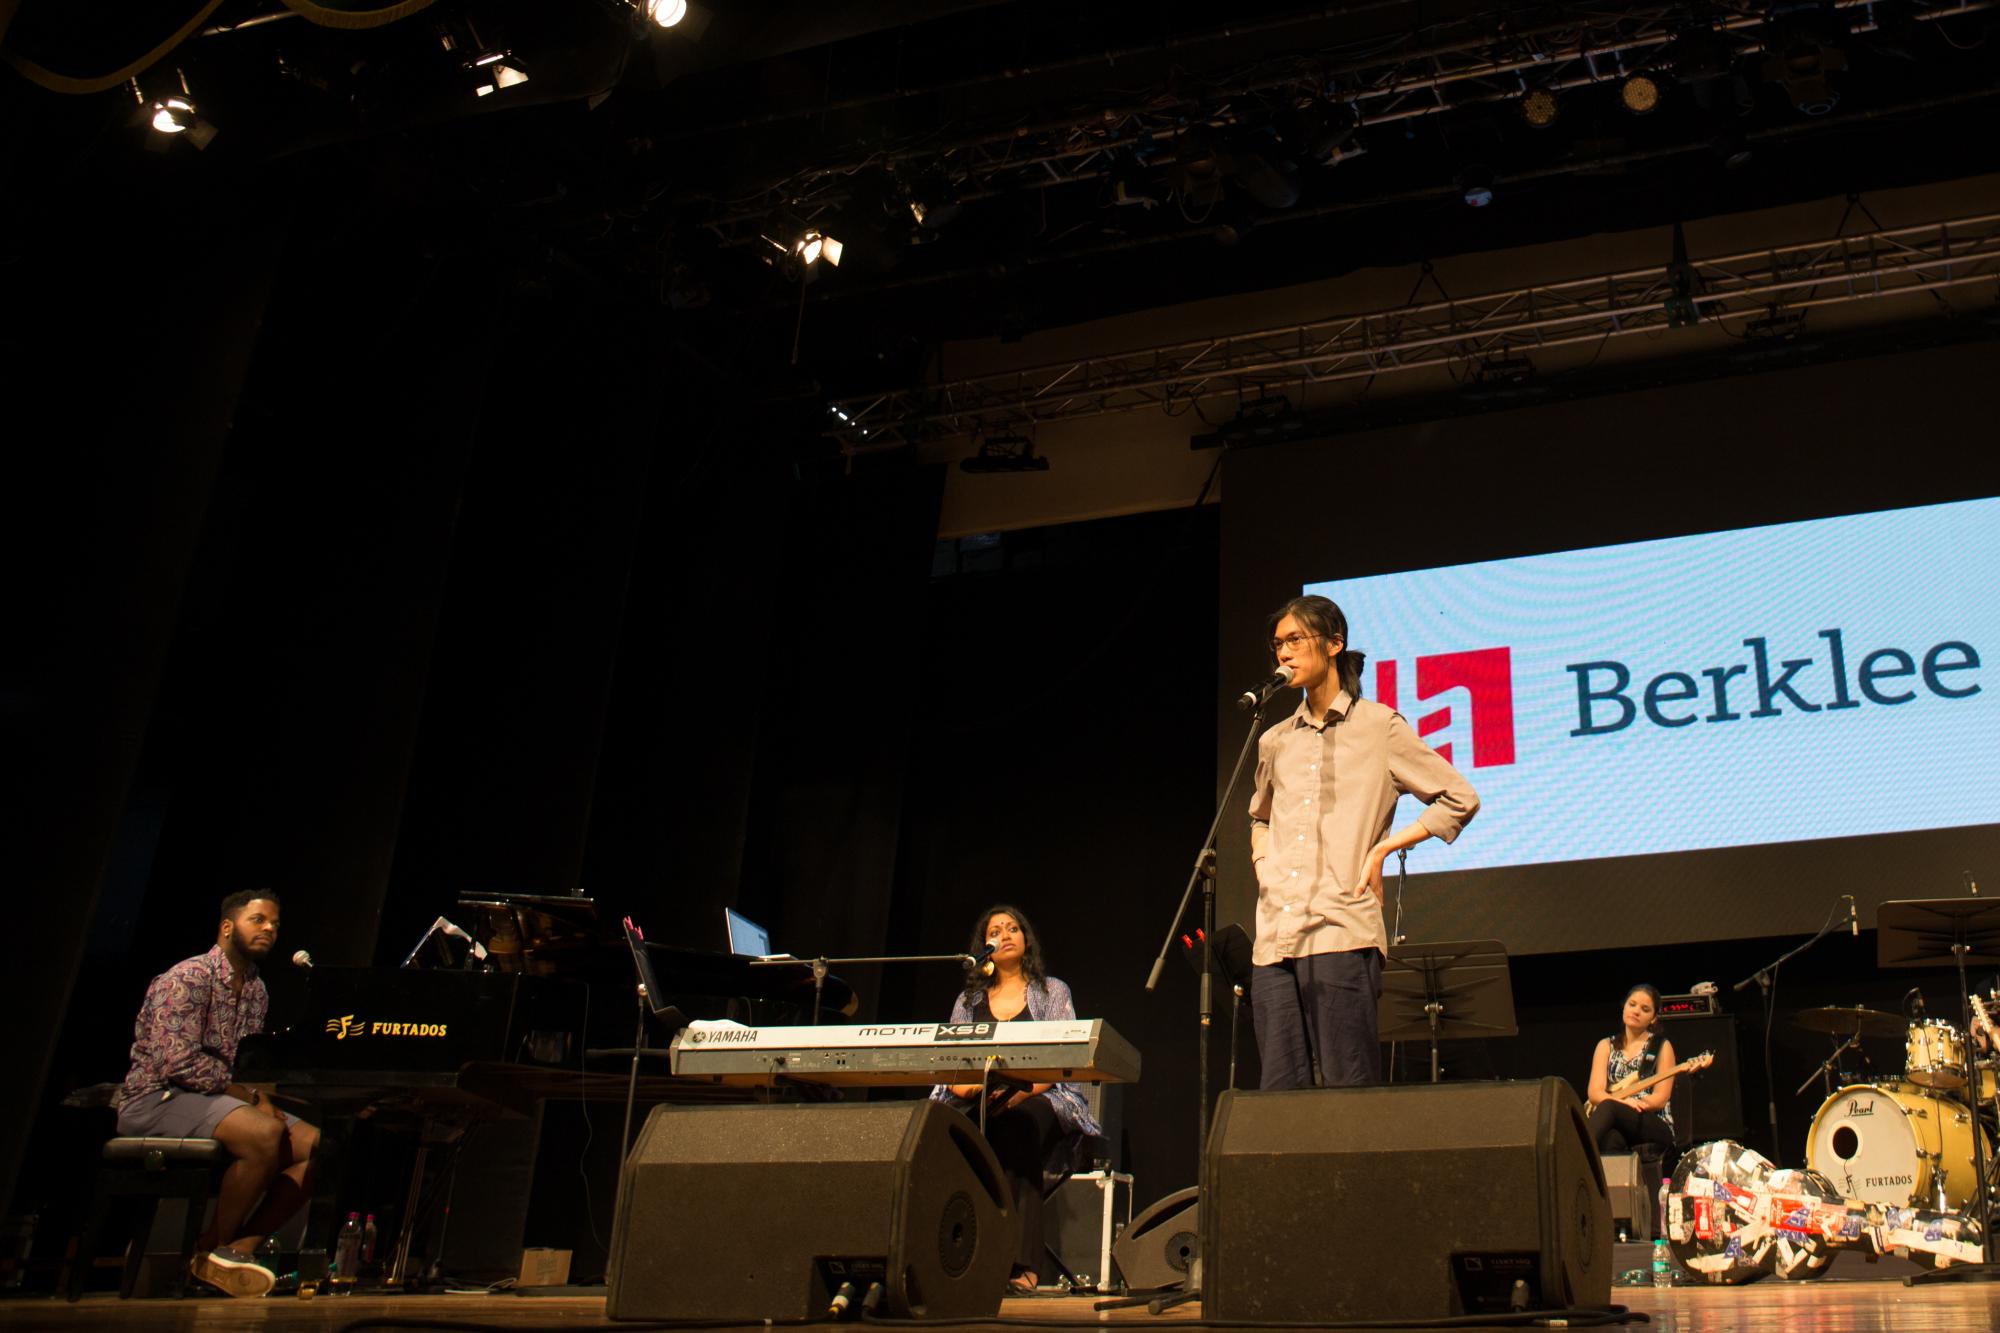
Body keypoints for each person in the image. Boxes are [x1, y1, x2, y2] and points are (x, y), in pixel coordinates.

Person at [1247, 594, 1480, 1090]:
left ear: (1334, 643)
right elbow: (1259, 818)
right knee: (1277, 1101)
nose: (1283, 653)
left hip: (1341, 930)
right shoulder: (1275, 740)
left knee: (1348, 1094)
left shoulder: (1379, 727)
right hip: (1274, 939)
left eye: (1295, 640)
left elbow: (1459, 797)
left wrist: (1383, 849)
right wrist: (1263, 864)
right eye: (1278, 645)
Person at [118, 890, 319, 1298]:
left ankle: (231, 1251)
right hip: (159, 1097)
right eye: (258, 920)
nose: (269, 929)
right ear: (227, 927)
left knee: (315, 1145)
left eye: (275, 924)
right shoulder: (187, 977)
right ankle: (209, 1251)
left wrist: (260, 1095)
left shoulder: (257, 989)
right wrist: (249, 1098)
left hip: (220, 1100)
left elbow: (246, 1064)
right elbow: (177, 1063)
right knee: (264, 1133)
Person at [929, 905, 1102, 1295]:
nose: (1004, 935)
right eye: (995, 931)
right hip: (979, 1096)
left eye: (1012, 929)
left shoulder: (1052, 991)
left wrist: (1019, 1090)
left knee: (1017, 1125)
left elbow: (1061, 1060)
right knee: (944, 1132)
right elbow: (951, 1066)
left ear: (1026, 940)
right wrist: (974, 1091)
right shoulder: (968, 1000)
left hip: (1042, 1095)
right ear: (984, 945)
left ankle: (1020, 1264)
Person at [1586, 984, 1679, 1164]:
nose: (1636, 1011)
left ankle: (1575, 1153)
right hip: (1620, 1121)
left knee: (1609, 1106)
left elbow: (1660, 1098)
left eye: (1645, 1009)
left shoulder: (1661, 1046)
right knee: (1610, 1140)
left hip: (1652, 1122)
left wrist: (1632, 1105)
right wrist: (1623, 1104)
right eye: (1632, 1004)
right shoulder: (1605, 1046)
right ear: (1624, 1007)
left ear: (1653, 1018)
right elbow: (1595, 1093)